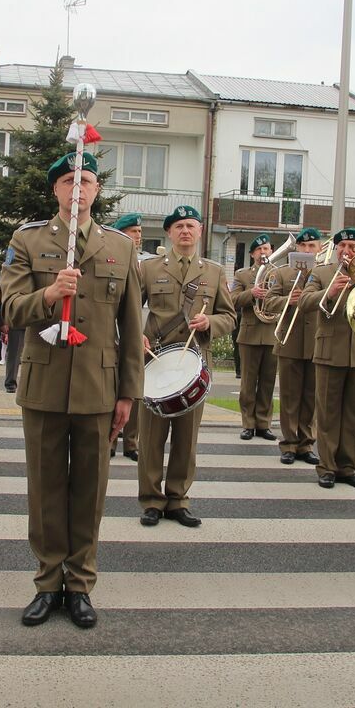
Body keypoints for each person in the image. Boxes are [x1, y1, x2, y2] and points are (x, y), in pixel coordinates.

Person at [2, 151, 142, 628]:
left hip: (98, 387)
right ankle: (46, 582)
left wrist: (128, 394)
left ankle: (80, 584)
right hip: (43, 384)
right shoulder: (28, 240)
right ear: (55, 190)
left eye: (84, 180)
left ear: (96, 189)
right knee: (45, 490)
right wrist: (47, 295)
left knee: (90, 489)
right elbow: (10, 309)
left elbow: (130, 323)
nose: (76, 189)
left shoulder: (120, 247)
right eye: (67, 181)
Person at [138, 205, 236, 528]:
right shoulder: (149, 268)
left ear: (200, 231)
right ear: (169, 232)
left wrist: (210, 322)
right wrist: (135, 335)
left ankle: (178, 499)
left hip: (193, 367)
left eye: (190, 225)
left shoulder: (213, 272)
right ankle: (152, 500)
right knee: (151, 438)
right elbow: (126, 310)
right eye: (178, 225)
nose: (185, 231)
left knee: (186, 439)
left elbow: (230, 317)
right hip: (155, 365)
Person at [300, 227, 355, 489]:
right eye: (343, 246)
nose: (348, 251)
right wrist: (328, 293)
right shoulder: (321, 272)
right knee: (328, 414)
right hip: (329, 352)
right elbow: (305, 302)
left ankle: (348, 466)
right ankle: (327, 467)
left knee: (353, 414)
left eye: (353, 246)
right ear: (335, 248)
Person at [266, 227, 322, 466]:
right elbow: (268, 302)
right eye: (303, 246)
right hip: (289, 342)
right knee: (290, 397)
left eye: (312, 246)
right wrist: (289, 300)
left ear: (319, 249)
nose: (307, 250)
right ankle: (289, 444)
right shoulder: (282, 273)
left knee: (311, 397)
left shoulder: (325, 273)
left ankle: (306, 444)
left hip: (316, 342)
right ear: (297, 248)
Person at [107, 212, 151, 460]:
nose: (138, 236)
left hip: (135, 333)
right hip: (112, 334)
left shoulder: (141, 263)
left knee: (134, 388)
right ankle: (111, 441)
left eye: (140, 232)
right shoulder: (113, 257)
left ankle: (131, 442)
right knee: (114, 388)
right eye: (134, 231)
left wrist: (139, 334)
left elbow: (138, 304)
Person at [228, 233, 279, 443]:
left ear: (272, 252)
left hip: (272, 334)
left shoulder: (278, 274)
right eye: (259, 250)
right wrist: (252, 293)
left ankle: (263, 424)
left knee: (267, 383)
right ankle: (248, 424)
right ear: (252, 254)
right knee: (248, 384)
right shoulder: (242, 275)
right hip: (249, 334)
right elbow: (231, 299)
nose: (263, 253)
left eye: (266, 249)